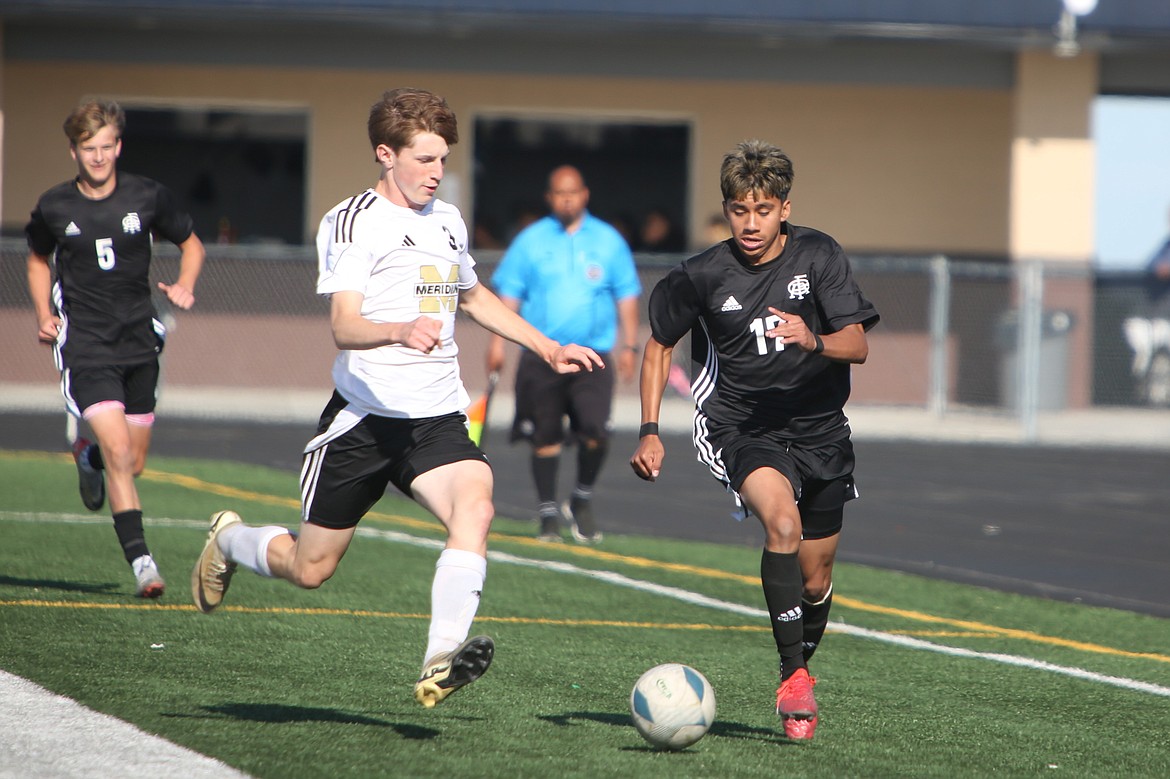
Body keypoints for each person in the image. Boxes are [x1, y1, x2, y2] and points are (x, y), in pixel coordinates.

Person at [191, 88, 603, 708]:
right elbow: (344, 325)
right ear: (386, 154)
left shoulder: (447, 220)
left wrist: (545, 348)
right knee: (311, 569)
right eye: (424, 160)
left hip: (435, 418)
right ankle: (228, 540)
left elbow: (473, 296)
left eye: (443, 160)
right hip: (363, 421)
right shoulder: (352, 221)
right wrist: (398, 330)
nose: (437, 173)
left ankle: (440, 660)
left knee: (477, 508)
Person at [629, 140, 879, 741]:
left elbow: (858, 345)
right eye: (739, 210)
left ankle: (796, 667)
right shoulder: (701, 275)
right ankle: (794, 678)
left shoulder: (819, 256)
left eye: (762, 210)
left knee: (816, 580)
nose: (750, 223)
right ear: (727, 209)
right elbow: (659, 345)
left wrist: (812, 338)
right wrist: (649, 429)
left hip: (820, 430)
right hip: (739, 426)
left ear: (784, 209)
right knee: (783, 526)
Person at [25, 99, 206, 599]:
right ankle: (143, 564)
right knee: (121, 452)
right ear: (74, 151)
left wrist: (187, 283)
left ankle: (89, 457)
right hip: (87, 344)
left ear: (119, 146)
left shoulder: (148, 196)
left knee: (132, 460)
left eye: (107, 147)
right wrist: (44, 313)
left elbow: (192, 244)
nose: (99, 157)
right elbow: (38, 258)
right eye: (89, 149)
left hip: (139, 341)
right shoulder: (55, 206)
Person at [486, 165, 641, 543]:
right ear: (549, 198)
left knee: (595, 431)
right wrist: (496, 344)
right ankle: (548, 514)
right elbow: (509, 294)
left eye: (572, 192)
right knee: (545, 436)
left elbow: (627, 294)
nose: (566, 199)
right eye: (559, 192)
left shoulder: (608, 241)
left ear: (585, 195)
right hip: (542, 354)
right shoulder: (531, 240)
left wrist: (630, 345)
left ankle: (581, 498)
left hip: (594, 355)